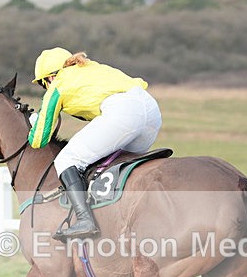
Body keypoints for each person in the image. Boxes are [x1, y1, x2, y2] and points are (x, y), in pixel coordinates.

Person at [29, 47, 162, 240]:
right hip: (150, 111)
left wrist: (33, 122)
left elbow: (39, 139)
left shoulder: (57, 85)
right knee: (115, 166)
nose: (46, 89)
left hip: (123, 112)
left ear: (49, 78)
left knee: (67, 159)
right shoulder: (92, 68)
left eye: (43, 85)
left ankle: (85, 220)